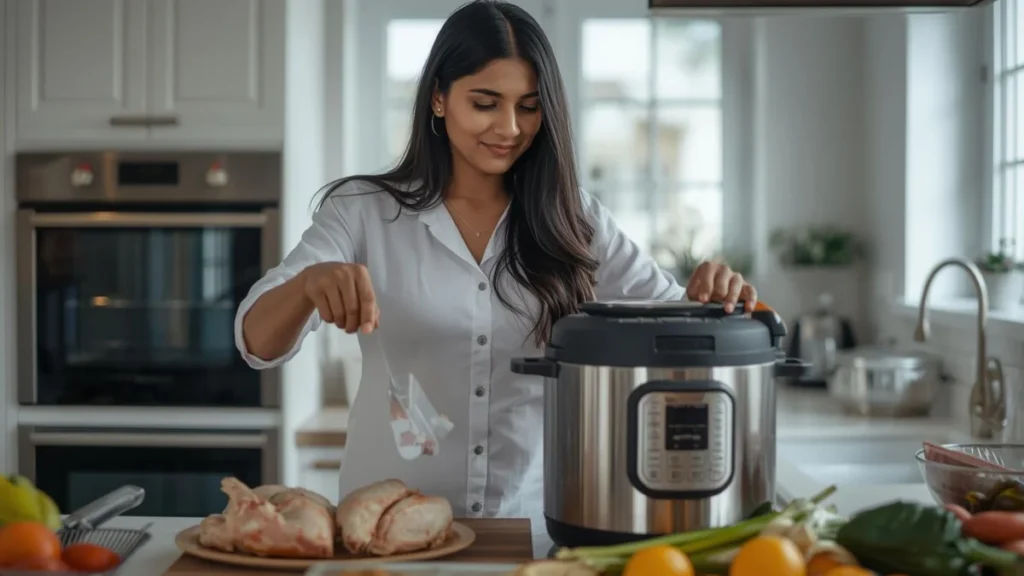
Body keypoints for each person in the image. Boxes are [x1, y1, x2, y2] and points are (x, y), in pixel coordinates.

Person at [235, 0, 757, 557]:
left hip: (533, 532)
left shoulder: (574, 219)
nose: (510, 128)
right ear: (439, 97)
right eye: (485, 103)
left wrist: (714, 295)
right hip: (385, 536)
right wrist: (309, 282)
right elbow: (256, 342)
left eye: (529, 108)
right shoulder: (361, 212)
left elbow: (678, 322)